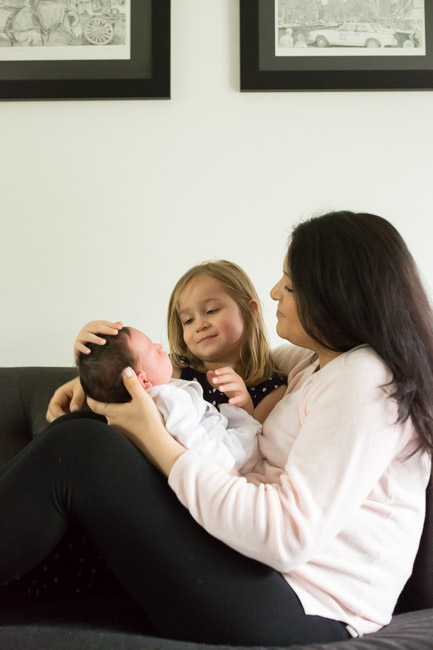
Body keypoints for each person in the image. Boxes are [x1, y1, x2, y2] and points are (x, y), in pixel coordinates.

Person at [1, 211, 432, 646]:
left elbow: (285, 537)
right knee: (87, 429)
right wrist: (106, 374)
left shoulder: (364, 381)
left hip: (304, 605)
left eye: (291, 284)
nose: (273, 292)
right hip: (256, 573)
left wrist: (156, 442)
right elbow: (198, 363)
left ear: (336, 296)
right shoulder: (315, 364)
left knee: (83, 449)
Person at [47, 260, 287, 424]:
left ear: (251, 310)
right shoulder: (176, 369)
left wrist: (244, 404)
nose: (199, 324)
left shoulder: (272, 389)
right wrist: (86, 351)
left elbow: (253, 446)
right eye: (188, 320)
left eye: (211, 310)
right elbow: (119, 373)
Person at [77, 326, 262, 474]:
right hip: (229, 455)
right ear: (143, 380)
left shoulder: (149, 400)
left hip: (223, 442)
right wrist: (228, 472)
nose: (160, 346)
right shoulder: (167, 398)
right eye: (153, 350)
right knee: (256, 433)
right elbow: (193, 439)